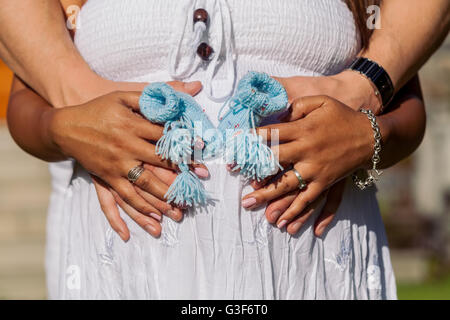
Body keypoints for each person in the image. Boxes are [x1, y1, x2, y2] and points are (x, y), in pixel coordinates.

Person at [2, 0, 449, 299]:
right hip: (130, 271)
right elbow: (28, 102)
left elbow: (405, 108)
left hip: (314, 271)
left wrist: (365, 136)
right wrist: (65, 127)